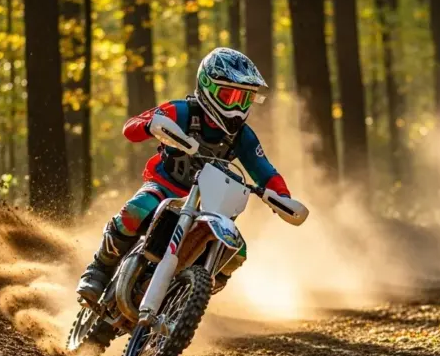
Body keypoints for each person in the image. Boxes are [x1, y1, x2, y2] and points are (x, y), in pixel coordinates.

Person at [76, 47, 292, 304]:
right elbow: (130, 129)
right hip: (164, 188)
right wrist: (150, 124)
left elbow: (265, 171)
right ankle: (99, 269)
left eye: (244, 99)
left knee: (237, 250)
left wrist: (283, 197)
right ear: (207, 87)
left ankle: (187, 300)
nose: (236, 107)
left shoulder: (243, 137)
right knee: (137, 208)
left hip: (208, 206)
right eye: (228, 95)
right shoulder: (183, 112)